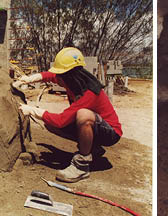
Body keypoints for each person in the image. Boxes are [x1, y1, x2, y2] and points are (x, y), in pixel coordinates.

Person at [15, 47, 122, 183]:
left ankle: (81, 166)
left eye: (61, 73)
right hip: (96, 129)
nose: (59, 77)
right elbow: (51, 76)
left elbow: (61, 120)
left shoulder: (89, 92)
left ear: (70, 73)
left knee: (83, 116)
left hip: (110, 133)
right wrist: (30, 79)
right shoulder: (72, 80)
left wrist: (32, 110)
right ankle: (92, 148)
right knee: (50, 124)